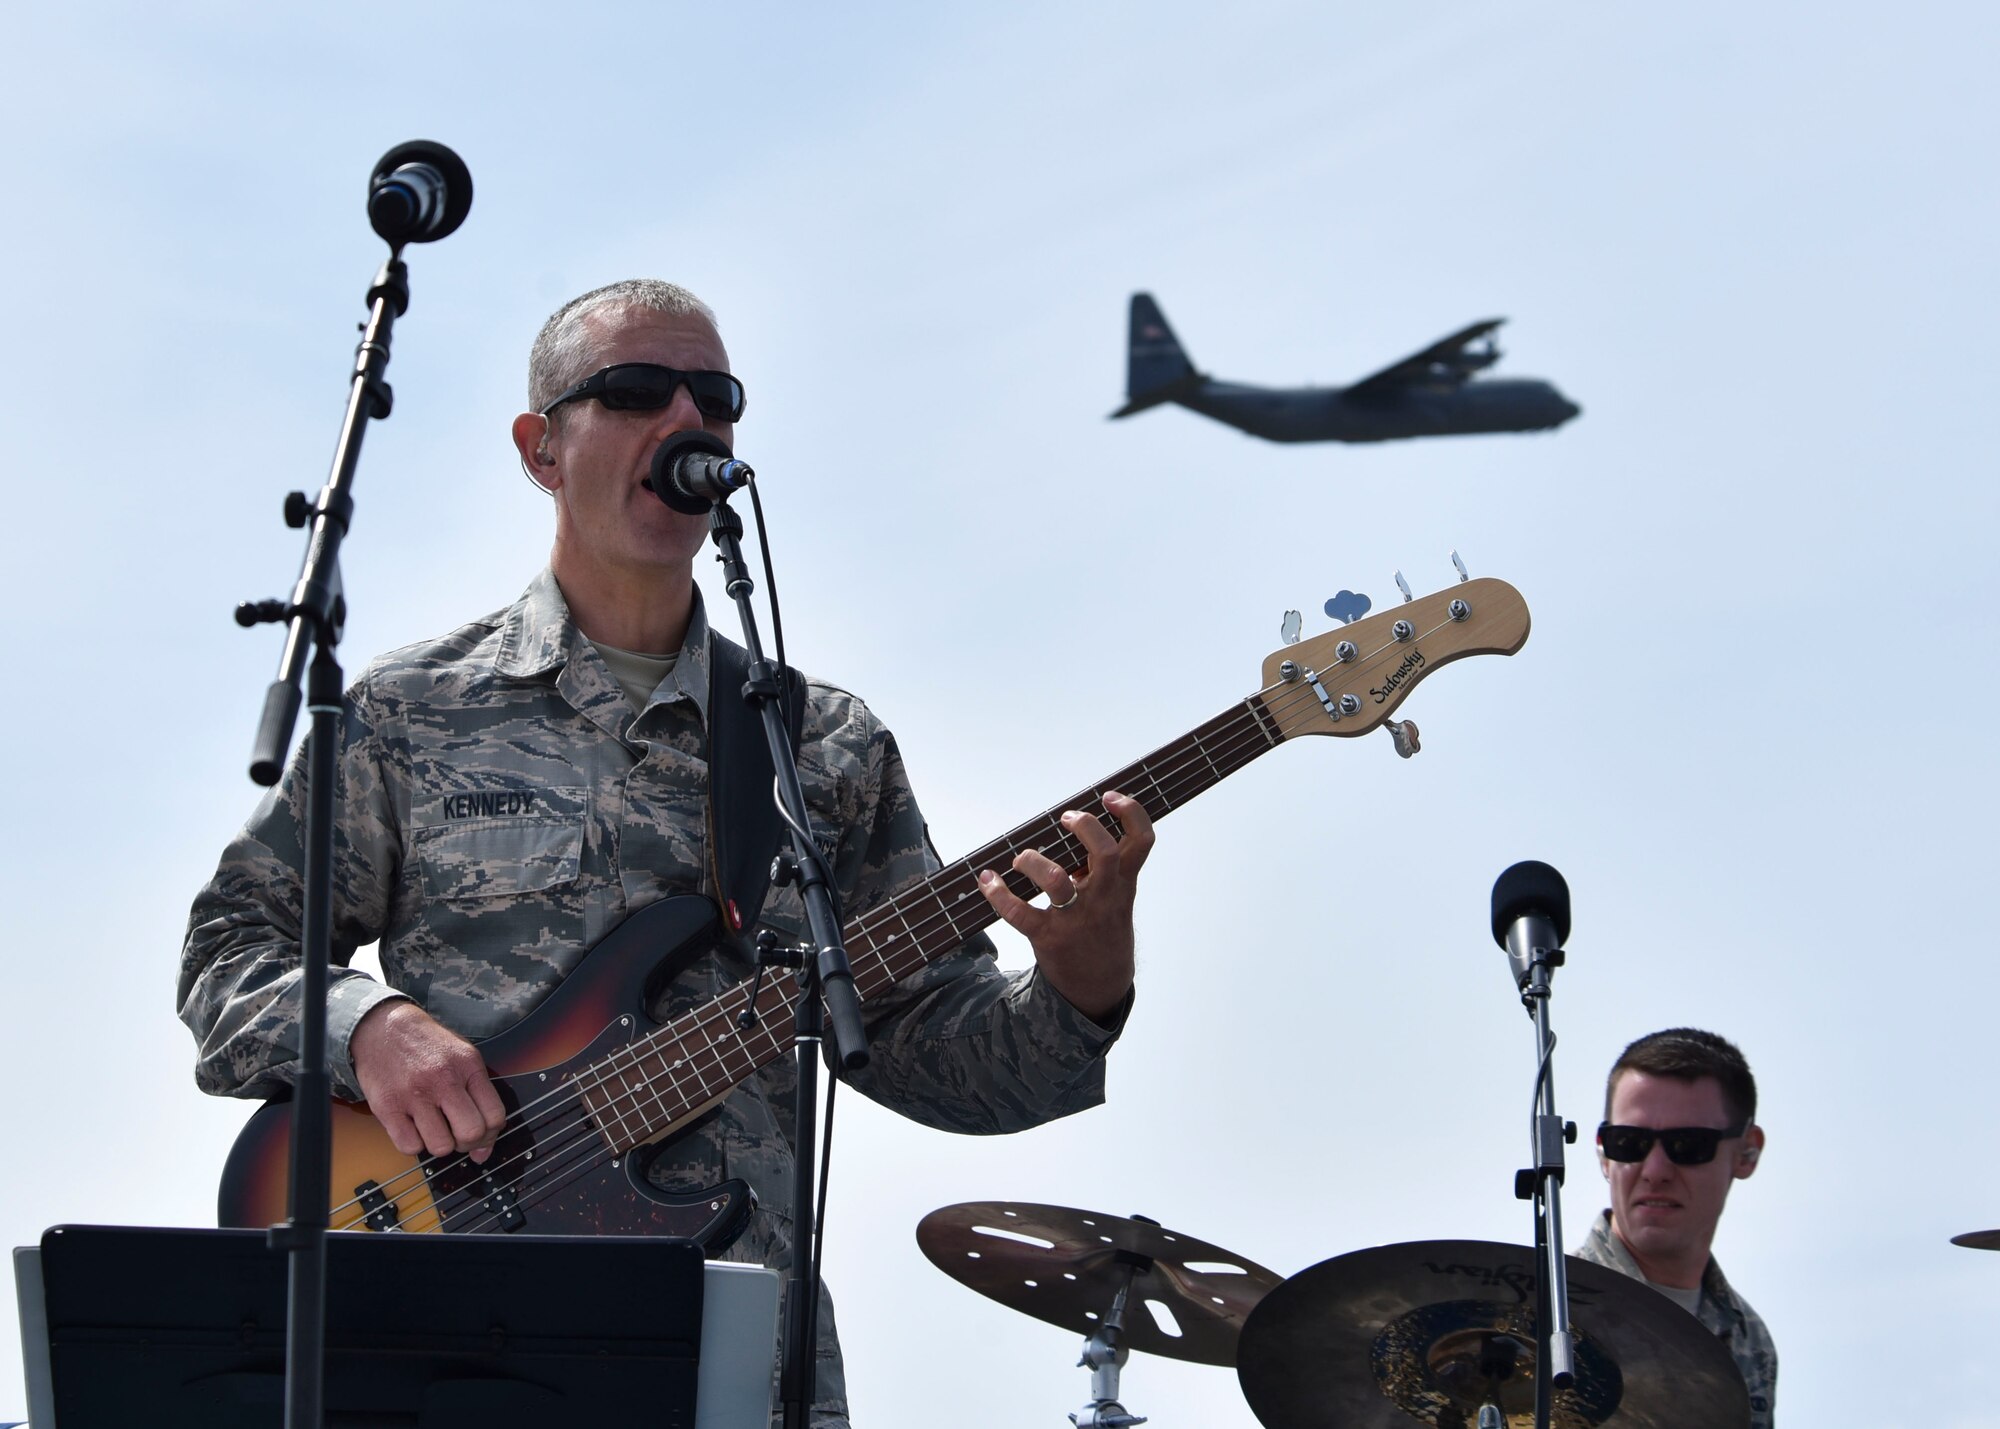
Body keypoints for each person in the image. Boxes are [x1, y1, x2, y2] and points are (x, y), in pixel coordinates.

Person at [178, 278, 1154, 1428]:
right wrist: (373, 1030)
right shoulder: (410, 710)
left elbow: (929, 1056)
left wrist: (1083, 978)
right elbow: (228, 957)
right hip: (450, 1326)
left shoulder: (821, 743)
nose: (683, 420)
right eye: (636, 391)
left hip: (737, 1343)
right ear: (541, 449)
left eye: (715, 399)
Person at [1575, 1028, 1775, 1427]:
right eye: (1629, 1143)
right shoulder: (1530, 1309)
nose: (1655, 1171)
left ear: (1747, 1152)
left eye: (1687, 1145)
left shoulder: (1748, 1337)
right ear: (1603, 1153)